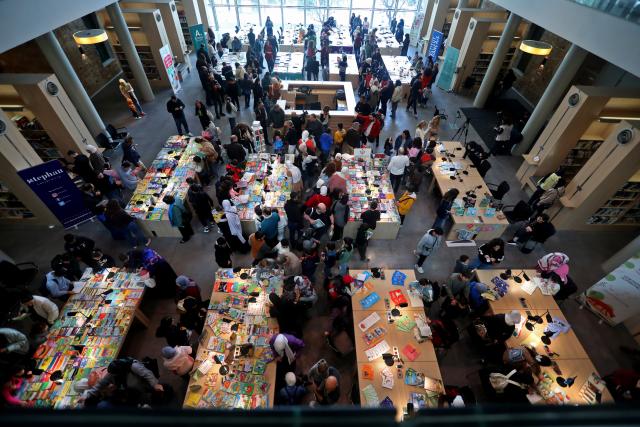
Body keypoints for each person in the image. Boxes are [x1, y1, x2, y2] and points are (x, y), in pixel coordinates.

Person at [83, 358, 164, 406]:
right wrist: (89, 395)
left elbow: (147, 374)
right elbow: (102, 383)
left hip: (142, 383)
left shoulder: (133, 366)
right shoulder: (114, 372)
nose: (111, 375)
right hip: (133, 388)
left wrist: (155, 384)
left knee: (149, 393)